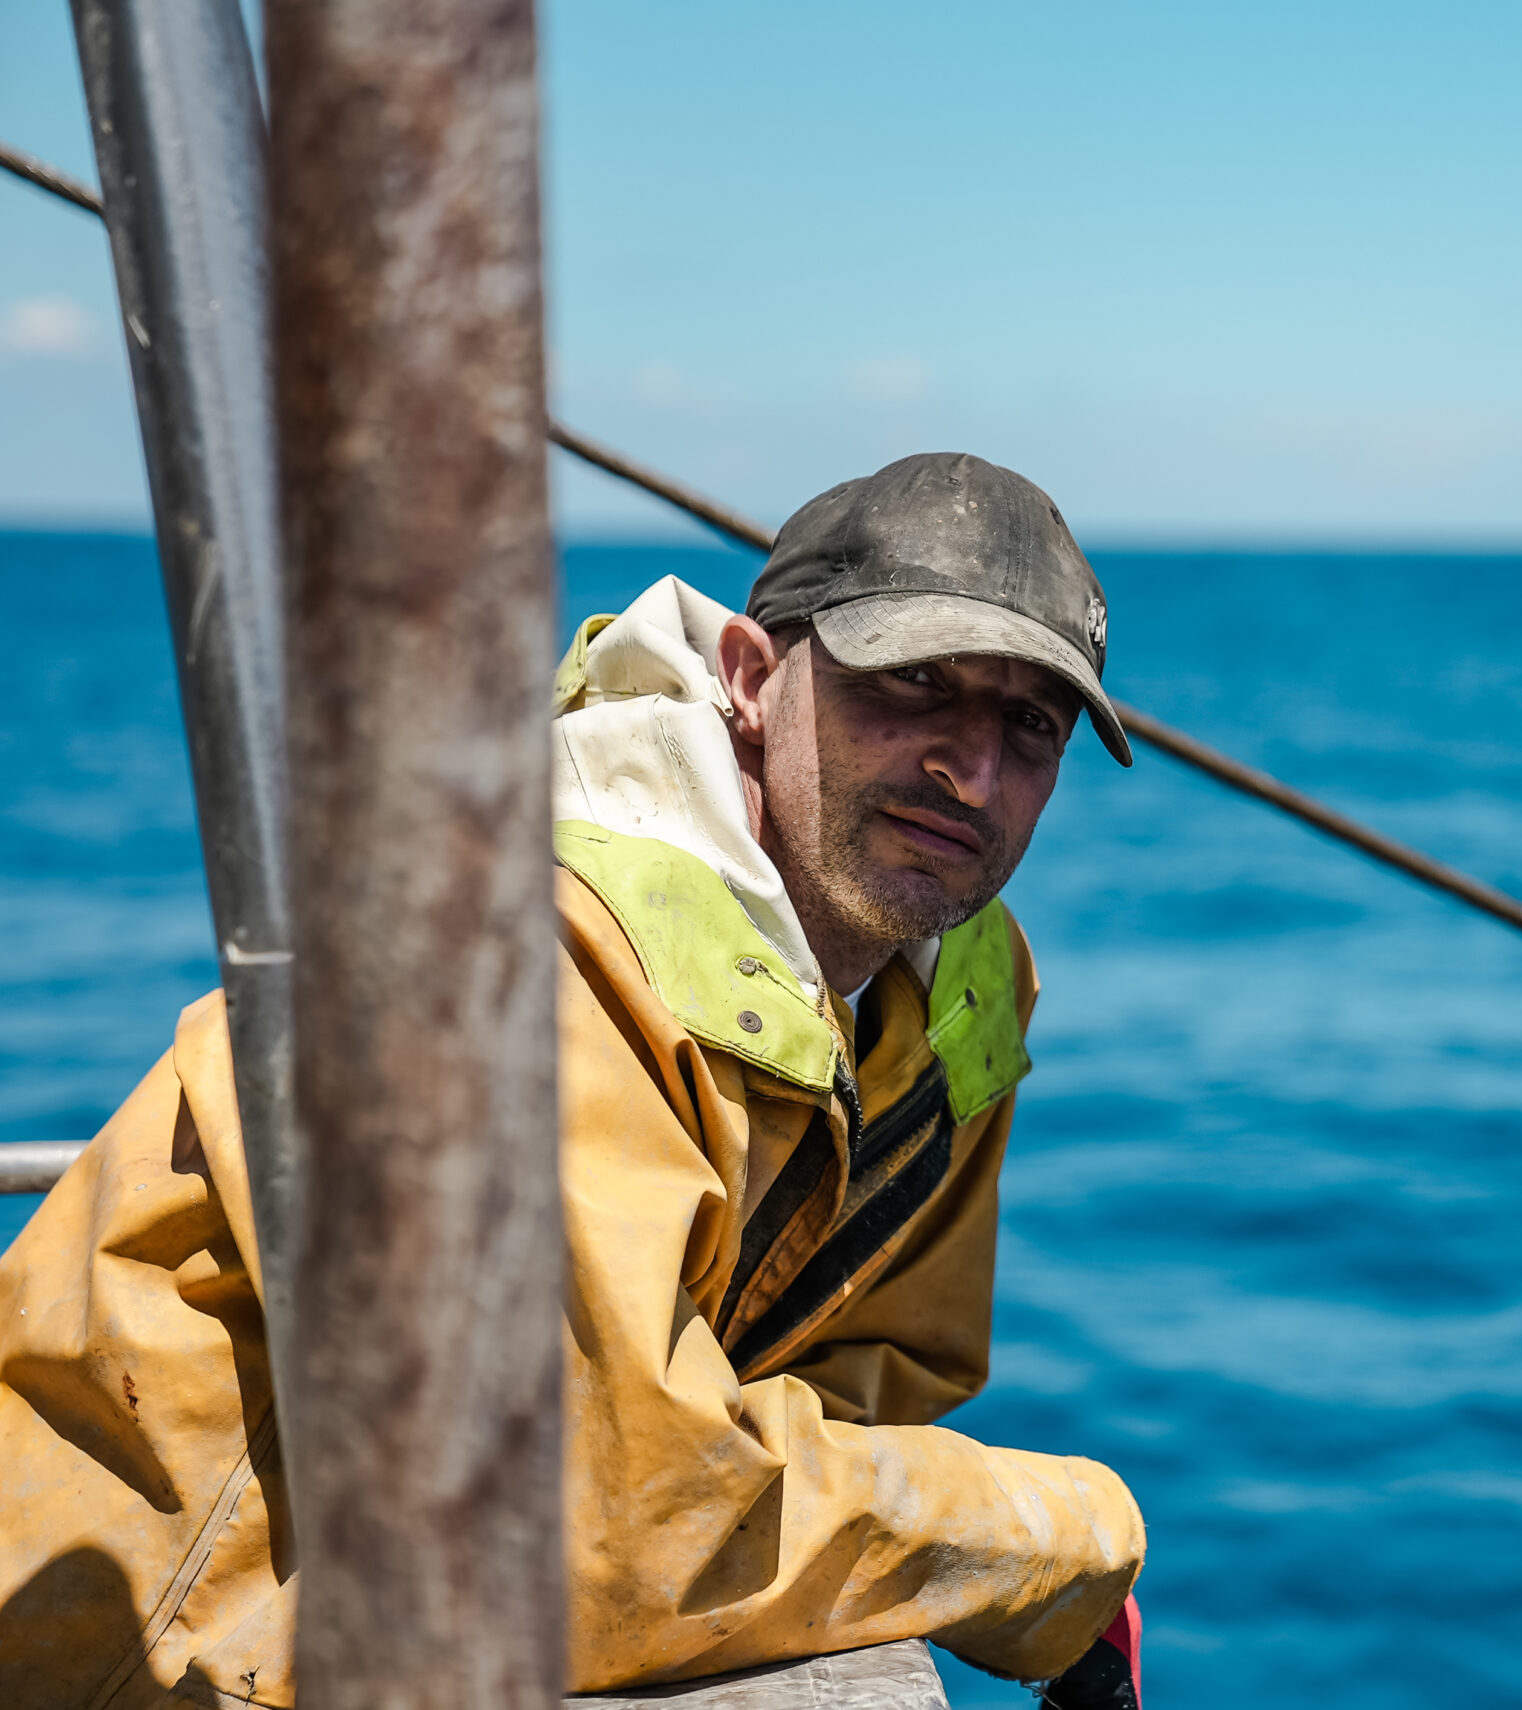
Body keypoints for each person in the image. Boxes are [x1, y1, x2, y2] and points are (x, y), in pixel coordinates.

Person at [0, 453, 1148, 1708]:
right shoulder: (512, 943)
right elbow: (589, 1519)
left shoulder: (954, 998)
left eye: (1027, 725)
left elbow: (868, 1386)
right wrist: (1058, 1540)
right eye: (911, 682)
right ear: (751, 680)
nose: (970, 772)